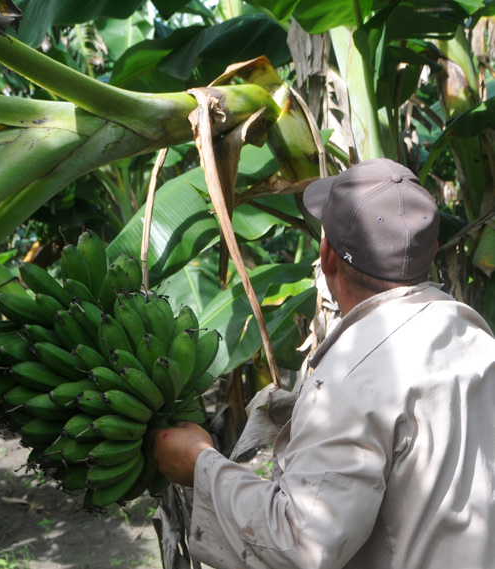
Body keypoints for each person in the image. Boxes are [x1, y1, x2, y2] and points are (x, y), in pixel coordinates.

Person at [151, 158, 495, 569]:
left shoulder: (351, 381)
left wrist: (201, 467)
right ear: (431, 252)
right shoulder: (475, 337)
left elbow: (300, 544)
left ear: (327, 255)